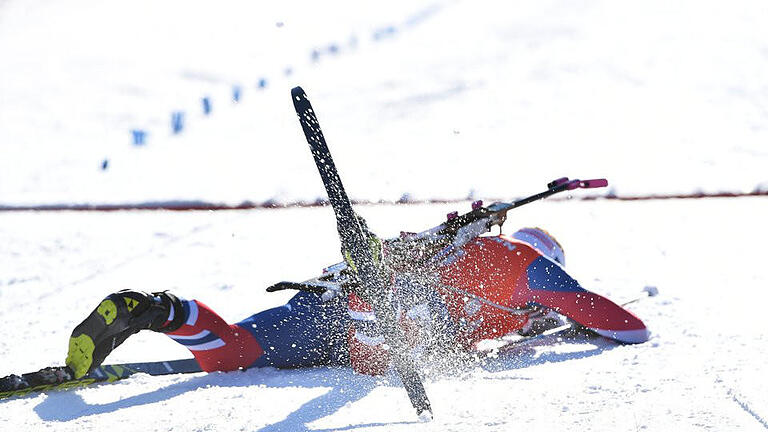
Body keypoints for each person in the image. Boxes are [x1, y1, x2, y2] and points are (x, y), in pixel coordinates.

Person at [63, 212, 649, 381]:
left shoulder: (469, 261)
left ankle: (159, 309)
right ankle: (376, 308)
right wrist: (590, 321)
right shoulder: (522, 264)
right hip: (383, 317)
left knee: (229, 354)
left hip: (329, 304)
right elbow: (624, 324)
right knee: (387, 357)